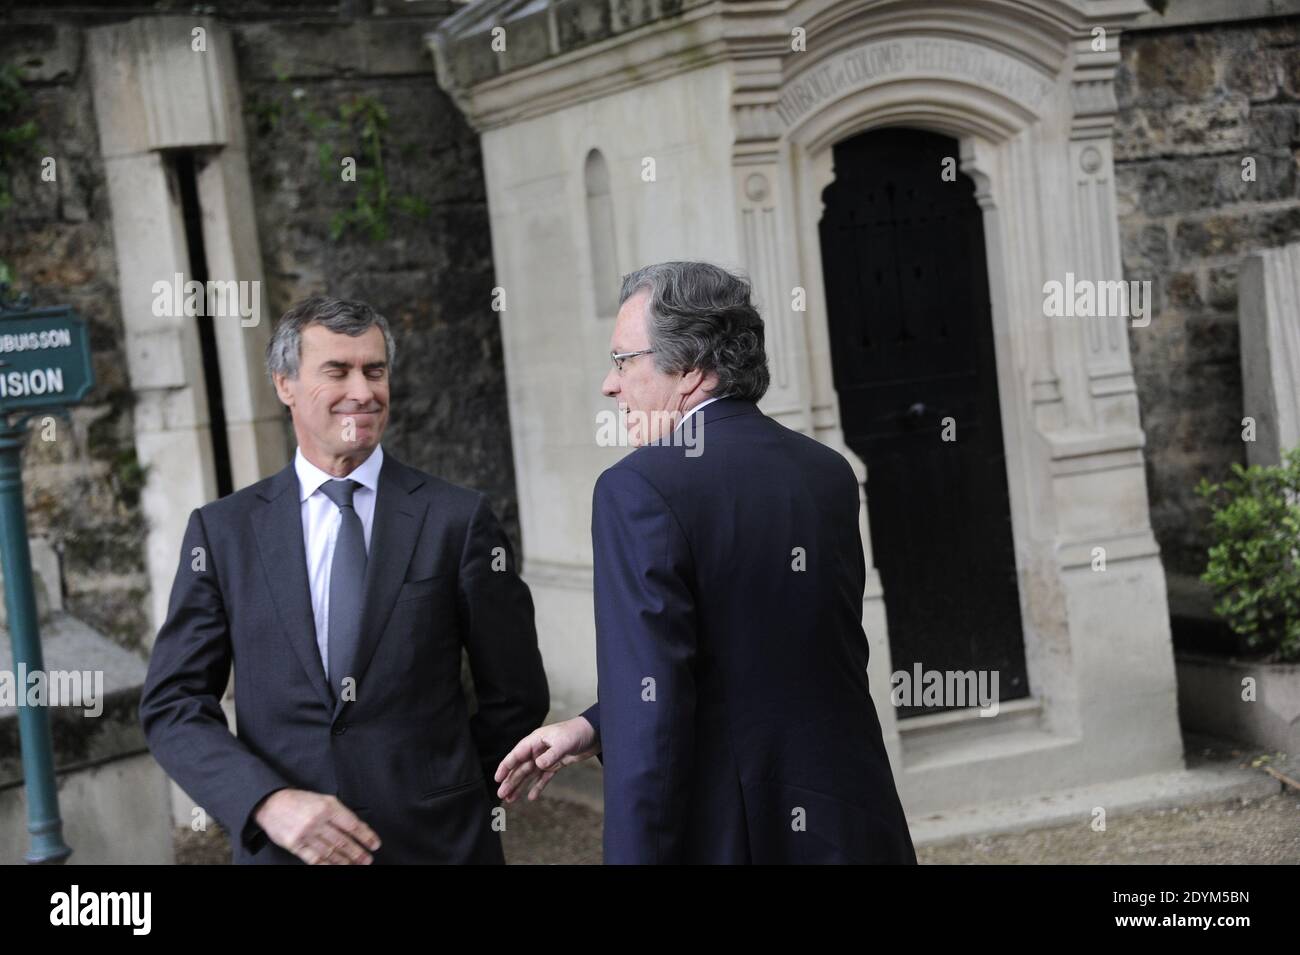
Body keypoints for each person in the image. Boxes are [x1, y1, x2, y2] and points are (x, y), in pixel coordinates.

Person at [496, 261, 916, 864]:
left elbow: (654, 721)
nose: (609, 386)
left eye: (622, 361)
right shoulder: (826, 471)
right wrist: (593, 724)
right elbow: (754, 663)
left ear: (690, 367)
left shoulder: (637, 488)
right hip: (854, 825)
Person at [140, 296, 549, 864]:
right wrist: (266, 802)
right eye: (337, 371)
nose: (363, 390)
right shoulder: (223, 533)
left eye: (374, 370)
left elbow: (517, 693)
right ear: (284, 384)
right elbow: (174, 702)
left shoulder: (457, 519)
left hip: (439, 847)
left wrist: (442, 790)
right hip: (285, 854)